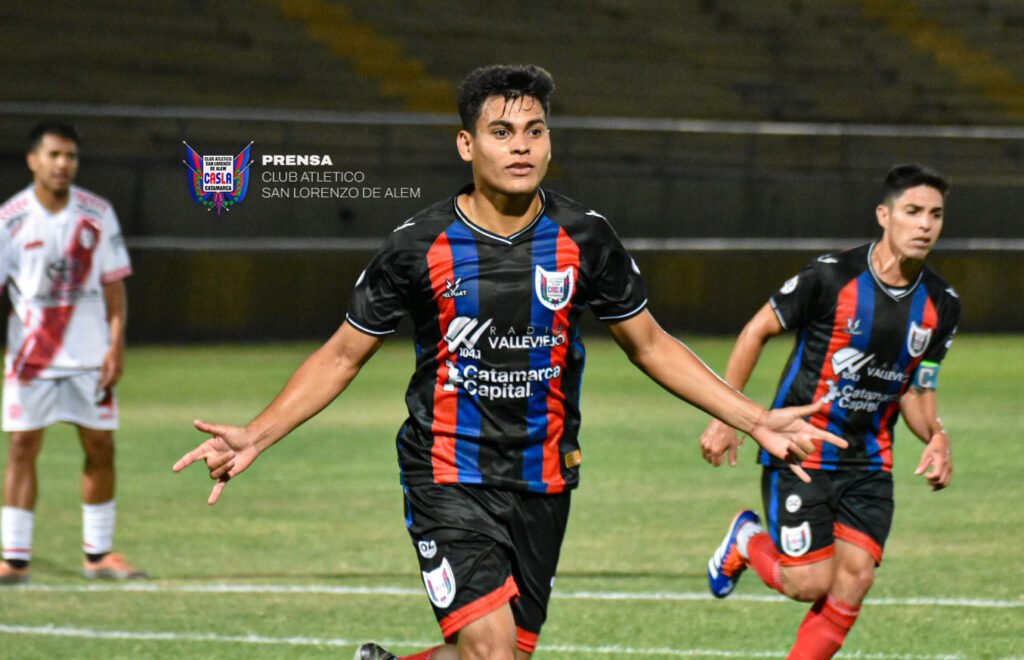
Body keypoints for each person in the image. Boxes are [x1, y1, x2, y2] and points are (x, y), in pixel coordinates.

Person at [173, 64, 845, 660]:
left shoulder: (586, 238)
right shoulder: (418, 246)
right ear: (467, 145)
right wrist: (257, 433)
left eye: (534, 131)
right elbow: (343, 355)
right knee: (492, 652)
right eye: (501, 132)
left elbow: (650, 344)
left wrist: (754, 418)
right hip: (447, 472)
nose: (521, 145)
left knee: (497, 655)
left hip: (544, 476)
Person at [702, 164, 959, 659]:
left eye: (935, 215)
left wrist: (936, 435)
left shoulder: (942, 304)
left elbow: (917, 388)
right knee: (809, 583)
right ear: (884, 215)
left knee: (855, 579)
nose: (925, 225)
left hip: (870, 461)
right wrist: (728, 416)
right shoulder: (830, 277)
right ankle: (747, 540)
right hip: (799, 447)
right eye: (912, 211)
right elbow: (756, 331)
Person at [0, 122, 145, 584]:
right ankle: (14, 560)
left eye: (71, 156)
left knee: (101, 446)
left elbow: (114, 287)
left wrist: (115, 347)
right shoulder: (9, 220)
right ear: (33, 160)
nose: (63, 164)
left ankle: (98, 555)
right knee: (22, 447)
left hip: (89, 357)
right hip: (31, 359)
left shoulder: (97, 213)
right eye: (55, 155)